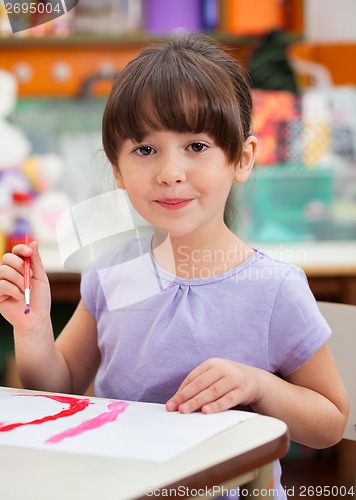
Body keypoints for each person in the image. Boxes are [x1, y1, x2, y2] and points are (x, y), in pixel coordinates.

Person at [0, 35, 348, 498]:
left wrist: (258, 386)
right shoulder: (110, 274)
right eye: (145, 150)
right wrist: (33, 330)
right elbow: (59, 384)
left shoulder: (275, 288)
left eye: (196, 146)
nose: (169, 171)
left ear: (241, 159)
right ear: (118, 170)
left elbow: (330, 422)